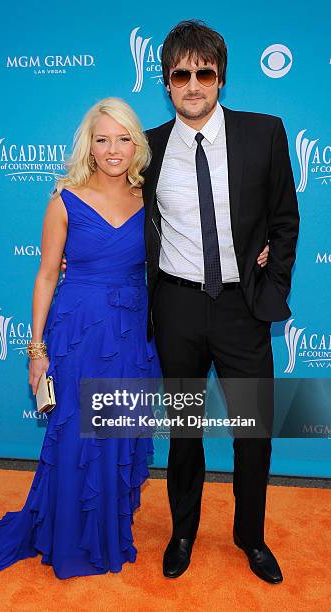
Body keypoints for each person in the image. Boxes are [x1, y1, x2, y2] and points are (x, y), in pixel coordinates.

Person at [0, 97, 162, 583]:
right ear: (89, 146)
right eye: (103, 139)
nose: (113, 149)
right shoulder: (64, 199)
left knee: (117, 432)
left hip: (131, 334)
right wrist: (37, 350)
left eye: (123, 138)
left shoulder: (150, 199)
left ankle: (107, 527)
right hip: (79, 331)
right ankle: (68, 535)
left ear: (136, 144)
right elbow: (46, 276)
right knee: (77, 435)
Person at [142, 20, 299, 583]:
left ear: (220, 77)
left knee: (253, 432)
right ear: (166, 82)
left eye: (203, 72)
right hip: (178, 309)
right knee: (184, 431)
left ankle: (250, 537)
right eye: (180, 73)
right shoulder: (149, 147)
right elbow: (117, 209)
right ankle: (183, 530)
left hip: (242, 308)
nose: (192, 84)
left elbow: (285, 221)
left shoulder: (264, 133)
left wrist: (271, 287)